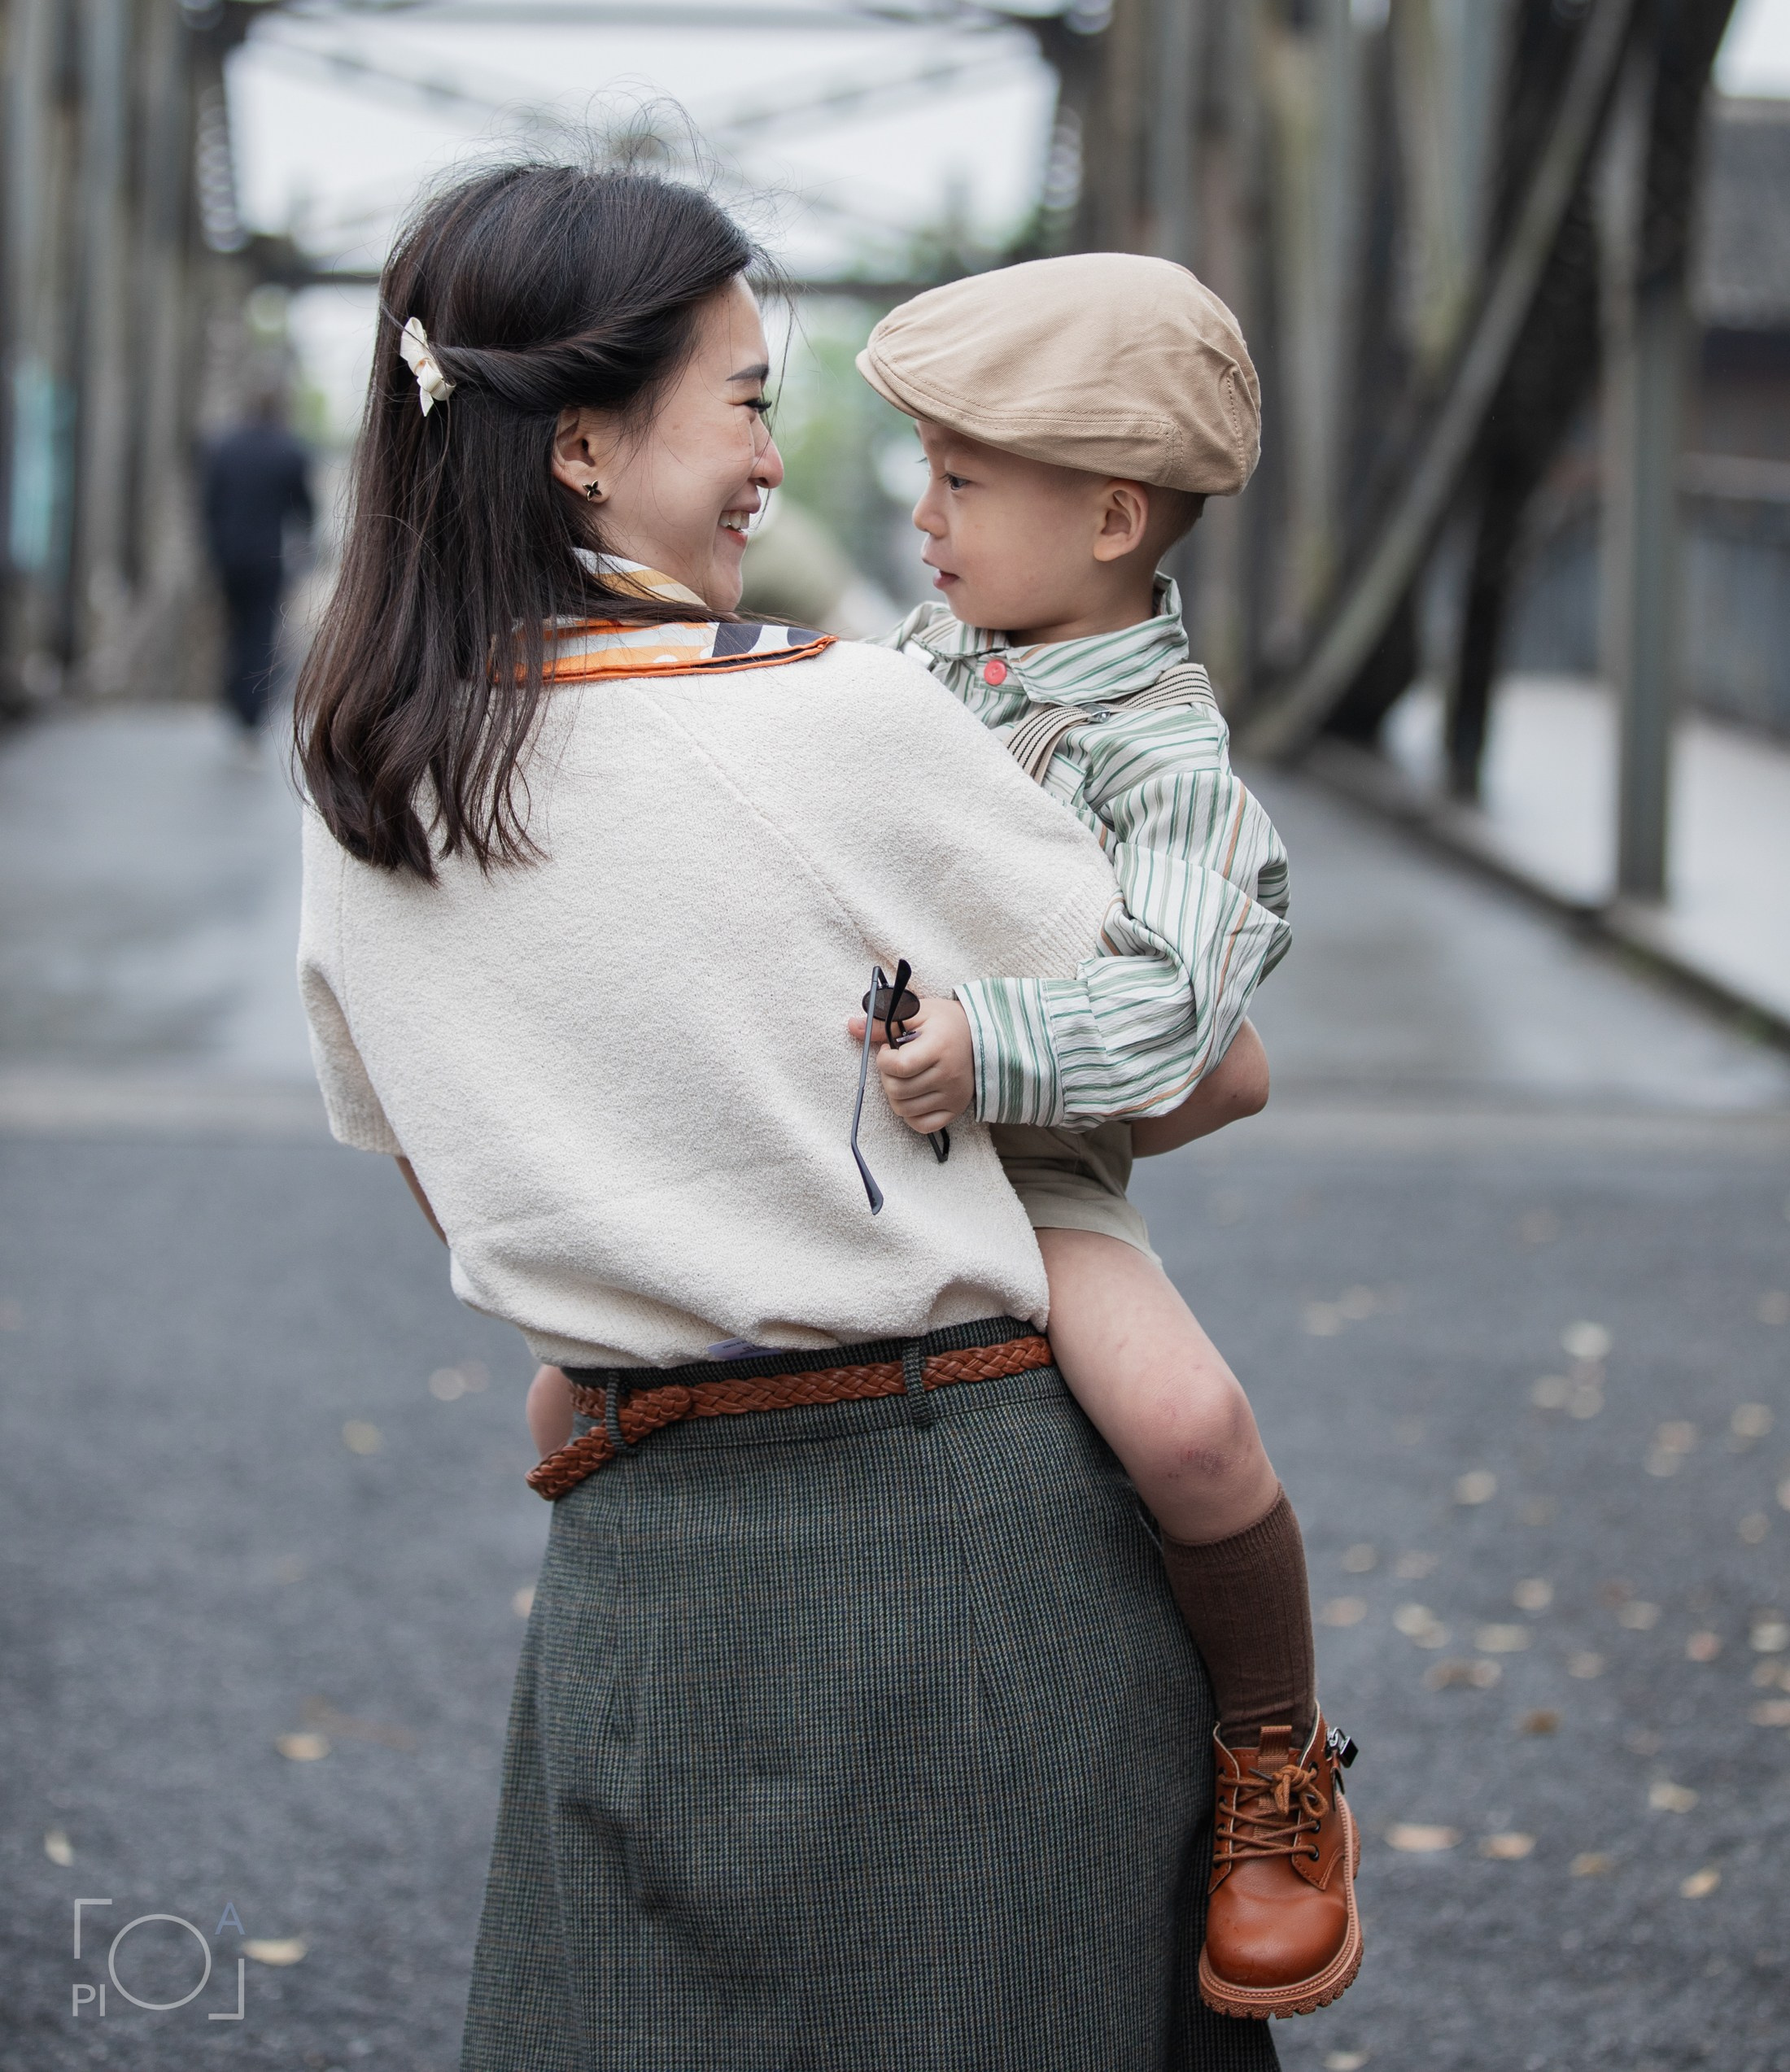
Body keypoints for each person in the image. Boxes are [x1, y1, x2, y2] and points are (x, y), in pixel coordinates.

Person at [293, 162, 1281, 2072]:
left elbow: (471, 1194)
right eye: (747, 396)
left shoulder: (367, 785)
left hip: (639, 1580)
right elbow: (1203, 1058)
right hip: (967, 1566)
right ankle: (1291, 1752)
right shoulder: (843, 717)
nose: (774, 452)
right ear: (584, 445)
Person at [845, 251, 1360, 2023]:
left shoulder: (1165, 764)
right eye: (924, 474)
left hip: (1032, 1158)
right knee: (567, 1391)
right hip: (850, 1120)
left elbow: (1172, 1013)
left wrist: (989, 1044)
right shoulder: (926, 662)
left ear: (1111, 519)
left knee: (1188, 1423)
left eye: (961, 481)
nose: (920, 517)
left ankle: (1270, 1768)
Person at [199, 384, 313, 745]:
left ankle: (234, 701)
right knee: (259, 631)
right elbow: (305, 510)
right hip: (267, 556)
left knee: (233, 625)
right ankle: (249, 709)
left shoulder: (224, 447)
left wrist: (214, 548)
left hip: (229, 554)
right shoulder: (288, 450)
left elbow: (208, 504)